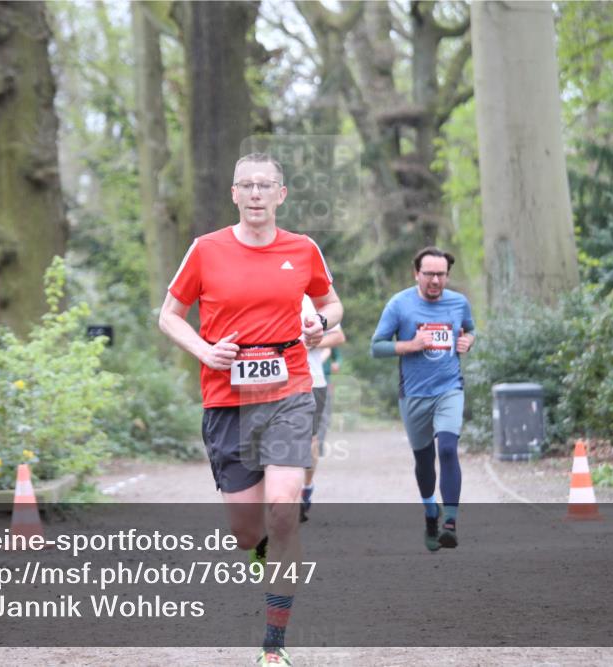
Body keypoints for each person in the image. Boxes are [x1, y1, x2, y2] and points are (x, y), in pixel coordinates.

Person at [159, 153, 343, 666]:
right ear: (234, 194)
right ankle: (264, 552)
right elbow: (168, 315)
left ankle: (273, 645)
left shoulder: (303, 249)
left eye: (266, 185)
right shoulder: (205, 250)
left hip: (289, 391)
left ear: (281, 195)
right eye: (247, 185)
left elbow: (332, 305)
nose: (257, 193)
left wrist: (319, 325)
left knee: (284, 507)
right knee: (247, 531)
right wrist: (204, 350)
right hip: (226, 400)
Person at [370, 247, 475, 552]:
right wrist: (410, 345)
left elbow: (470, 329)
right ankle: (431, 511)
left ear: (447, 276)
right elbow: (376, 347)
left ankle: (451, 522)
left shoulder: (458, 303)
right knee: (424, 459)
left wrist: (468, 341)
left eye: (440, 274)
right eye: (428, 274)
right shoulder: (399, 305)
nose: (435, 280)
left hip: (449, 388)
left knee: (447, 448)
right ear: (416, 274)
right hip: (414, 393)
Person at [299, 295, 345, 523]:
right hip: (276, 381)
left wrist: (313, 341)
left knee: (310, 440)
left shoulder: (314, 299)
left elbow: (339, 336)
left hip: (313, 379)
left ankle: (306, 487)